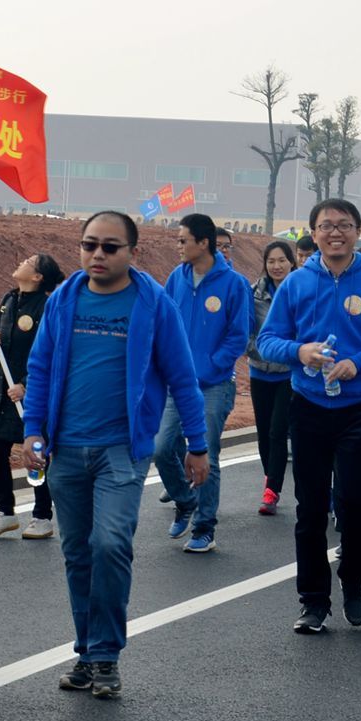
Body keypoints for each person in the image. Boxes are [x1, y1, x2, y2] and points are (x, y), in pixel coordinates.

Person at [21, 212, 208, 699]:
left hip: (122, 453)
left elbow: (182, 378)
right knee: (77, 552)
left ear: (133, 252)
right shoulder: (63, 300)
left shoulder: (153, 304)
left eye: (109, 247)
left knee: (110, 545)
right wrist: (32, 432)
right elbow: (39, 368)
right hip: (65, 450)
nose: (97, 255)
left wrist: (198, 444)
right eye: (89, 246)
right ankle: (87, 651)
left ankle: (105, 654)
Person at [258, 199, 361, 634]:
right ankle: (313, 601)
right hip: (306, 405)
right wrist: (298, 351)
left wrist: (358, 364)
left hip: (359, 409)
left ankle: (352, 583)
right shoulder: (296, 283)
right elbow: (267, 341)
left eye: (344, 225)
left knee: (358, 505)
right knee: (310, 508)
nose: (334, 232)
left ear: (357, 232)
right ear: (314, 233)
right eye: (326, 226)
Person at [153, 213, 250, 554]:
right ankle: (184, 500)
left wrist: (210, 367)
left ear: (203, 243)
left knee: (205, 451)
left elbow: (238, 335)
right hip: (176, 385)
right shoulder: (176, 278)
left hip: (213, 385)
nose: (178, 246)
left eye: (183, 240)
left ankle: (205, 527)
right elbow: (161, 324)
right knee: (163, 448)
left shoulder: (233, 283)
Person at [0, 253, 65, 539]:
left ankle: (42, 515)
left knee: (35, 454)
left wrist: (26, 385)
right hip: (3, 390)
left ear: (38, 277)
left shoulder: (49, 306)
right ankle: (5, 512)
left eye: (29, 261)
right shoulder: (9, 300)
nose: (22, 262)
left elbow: (53, 353)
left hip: (33, 391)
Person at [249, 240, 299, 516]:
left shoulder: (300, 291)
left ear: (291, 262)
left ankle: (272, 489)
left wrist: (288, 354)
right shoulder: (253, 294)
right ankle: (270, 477)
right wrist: (256, 351)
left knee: (278, 431)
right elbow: (244, 329)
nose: (277, 266)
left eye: (282, 260)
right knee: (264, 432)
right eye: (271, 261)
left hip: (289, 374)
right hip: (259, 371)